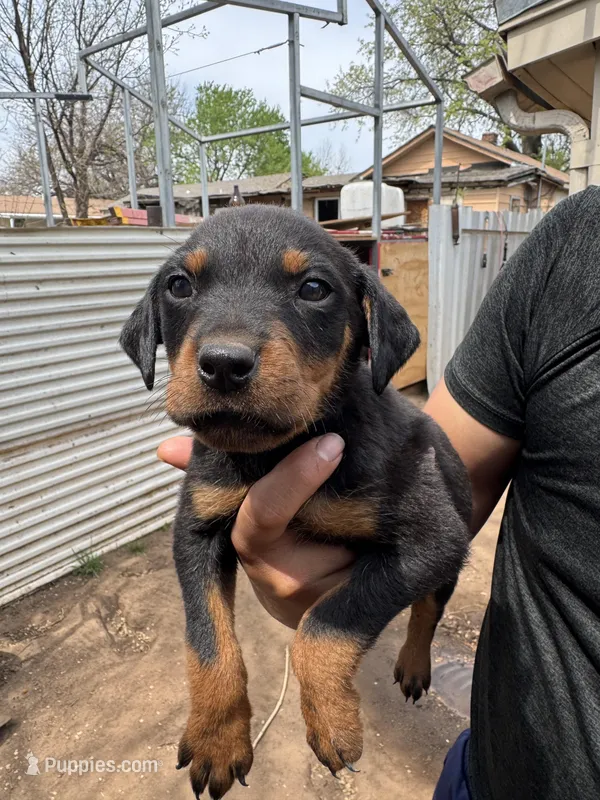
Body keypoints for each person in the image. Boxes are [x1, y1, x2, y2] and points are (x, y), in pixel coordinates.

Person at [158, 186, 600, 800]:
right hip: (491, 772)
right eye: (182, 286)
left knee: (429, 586)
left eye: (313, 290)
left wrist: (324, 641)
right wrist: (215, 690)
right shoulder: (576, 247)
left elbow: (443, 541)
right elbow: (197, 534)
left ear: (365, 338)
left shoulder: (371, 454)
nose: (225, 350)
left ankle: (423, 631)